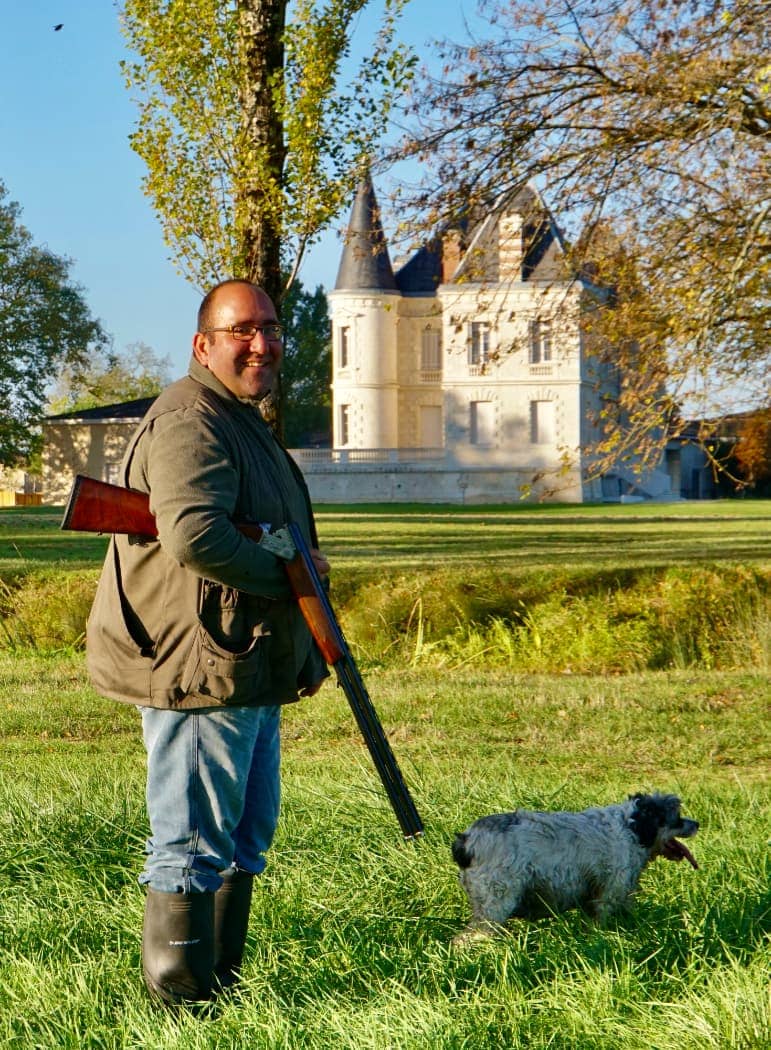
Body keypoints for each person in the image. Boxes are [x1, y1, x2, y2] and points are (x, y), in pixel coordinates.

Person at [86, 279, 330, 1005]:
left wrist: (304, 644)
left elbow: (267, 536)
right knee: (192, 844)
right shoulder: (193, 419)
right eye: (241, 331)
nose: (262, 343)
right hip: (199, 666)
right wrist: (287, 580)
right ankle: (181, 1006)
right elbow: (195, 536)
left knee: (242, 838)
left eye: (271, 328)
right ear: (204, 344)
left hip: (242, 660)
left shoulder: (240, 419)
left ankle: (219, 986)